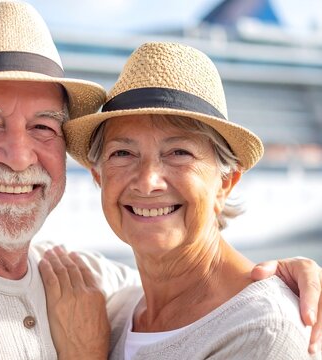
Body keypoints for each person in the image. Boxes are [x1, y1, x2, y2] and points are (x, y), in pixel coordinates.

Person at [0, 1, 319, 359]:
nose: (19, 158)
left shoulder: (86, 283)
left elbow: (213, 295)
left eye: (43, 126)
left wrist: (280, 285)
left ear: (227, 181)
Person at [40, 42, 322, 359]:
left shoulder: (263, 329)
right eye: (123, 153)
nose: (148, 181)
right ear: (99, 177)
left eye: (178, 153)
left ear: (225, 182)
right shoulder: (116, 309)